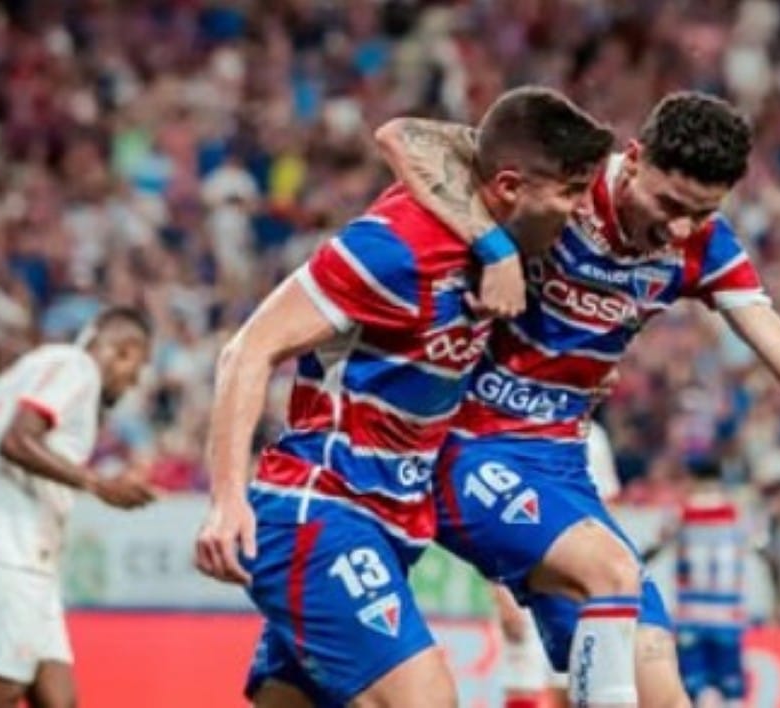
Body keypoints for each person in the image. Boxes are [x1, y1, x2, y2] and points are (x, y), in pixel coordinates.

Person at [375, 91, 780, 707]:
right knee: (612, 572)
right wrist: (495, 248)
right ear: (631, 160)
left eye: (702, 213)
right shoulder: (566, 178)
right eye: (670, 204)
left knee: (660, 691)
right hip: (464, 443)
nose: (679, 228)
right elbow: (402, 136)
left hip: (560, 464)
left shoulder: (703, 247)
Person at [192, 87, 614, 708]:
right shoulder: (395, 247)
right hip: (322, 509)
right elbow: (247, 350)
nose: (579, 212)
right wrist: (228, 499)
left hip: (392, 524)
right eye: (570, 193)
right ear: (507, 186)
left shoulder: (503, 245)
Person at [0, 306, 156, 708]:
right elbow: (15, 441)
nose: (133, 382)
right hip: (10, 554)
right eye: (137, 367)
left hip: (19, 556)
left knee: (58, 700)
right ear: (125, 350)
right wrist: (97, 483)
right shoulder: (79, 368)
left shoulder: (18, 376)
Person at [496, 422, 622, 708]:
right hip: (521, 580)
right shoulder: (509, 426)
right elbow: (494, 524)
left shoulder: (593, 438)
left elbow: (607, 512)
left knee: (570, 684)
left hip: (574, 585)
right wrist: (500, 592)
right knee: (522, 686)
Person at [639, 457, 765, 708]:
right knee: (731, 687)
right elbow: (765, 550)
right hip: (727, 615)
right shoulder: (737, 511)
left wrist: (636, 569)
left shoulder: (680, 512)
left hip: (691, 616)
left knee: (695, 686)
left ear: (693, 480)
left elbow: (656, 546)